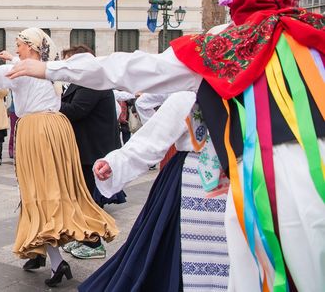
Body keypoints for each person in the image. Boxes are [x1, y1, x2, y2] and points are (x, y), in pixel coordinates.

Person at [5, 0, 325, 292]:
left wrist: (51, 69)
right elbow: (157, 117)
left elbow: (136, 70)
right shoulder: (311, 50)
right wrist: (121, 160)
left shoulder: (220, 52)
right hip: (291, 183)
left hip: (241, 185)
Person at [0, 28, 117, 287]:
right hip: (55, 128)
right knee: (49, 190)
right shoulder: (47, 68)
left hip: (36, 130)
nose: (17, 49)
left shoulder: (26, 69)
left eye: (19, 45)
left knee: (36, 193)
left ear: (32, 47)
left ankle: (56, 259)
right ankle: (40, 253)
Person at [82, 91, 229, 292]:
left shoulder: (254, 94)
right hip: (190, 185)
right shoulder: (188, 97)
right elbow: (152, 139)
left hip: (244, 185)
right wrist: (116, 163)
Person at [57, 45, 124, 260]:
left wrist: (47, 103)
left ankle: (94, 243)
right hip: (85, 148)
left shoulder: (93, 82)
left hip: (94, 149)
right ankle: (83, 235)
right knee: (80, 196)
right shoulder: (81, 81)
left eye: (70, 63)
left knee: (89, 199)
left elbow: (76, 111)